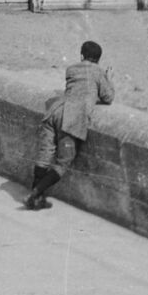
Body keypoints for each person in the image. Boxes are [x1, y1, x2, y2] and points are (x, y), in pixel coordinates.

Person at [24, 41, 114, 210]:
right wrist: (108, 79)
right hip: (71, 119)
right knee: (62, 162)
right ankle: (35, 192)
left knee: (44, 156)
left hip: (55, 111)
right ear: (98, 59)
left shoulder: (71, 69)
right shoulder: (98, 72)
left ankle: (37, 198)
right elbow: (108, 97)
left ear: (81, 55)